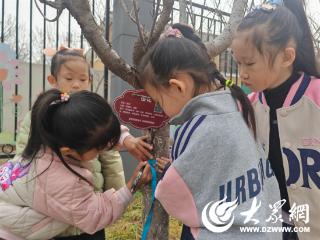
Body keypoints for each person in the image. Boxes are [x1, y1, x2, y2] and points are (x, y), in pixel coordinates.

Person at [138, 27, 281, 240]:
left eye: (159, 102)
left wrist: (169, 172)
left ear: (178, 87)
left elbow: (176, 195)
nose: (160, 109)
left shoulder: (195, 128)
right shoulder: (237, 104)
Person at [14, 47, 153, 239]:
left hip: (91, 205)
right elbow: (24, 158)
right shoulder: (42, 115)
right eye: (69, 79)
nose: (77, 85)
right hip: (56, 215)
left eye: (83, 79)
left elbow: (107, 137)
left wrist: (127, 142)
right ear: (53, 80)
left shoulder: (89, 112)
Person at [231, 0, 320, 239]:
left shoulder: (316, 98)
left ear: (286, 57)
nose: (242, 73)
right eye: (238, 62)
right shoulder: (245, 108)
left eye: (249, 63)